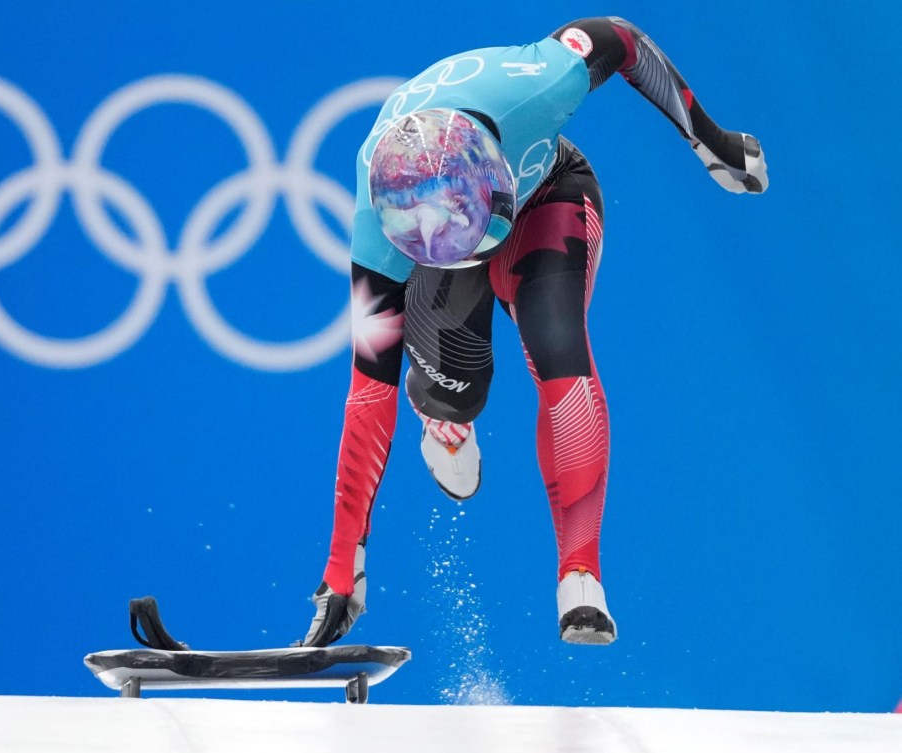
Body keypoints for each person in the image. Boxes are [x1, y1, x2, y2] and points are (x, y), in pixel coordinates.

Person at [300, 16, 768, 647]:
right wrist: (342, 569)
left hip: (548, 193)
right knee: (455, 387)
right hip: (438, 249)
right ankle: (444, 409)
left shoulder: (543, 85)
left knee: (561, 356)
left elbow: (622, 38)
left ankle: (581, 574)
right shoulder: (376, 234)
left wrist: (709, 139)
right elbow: (367, 395)